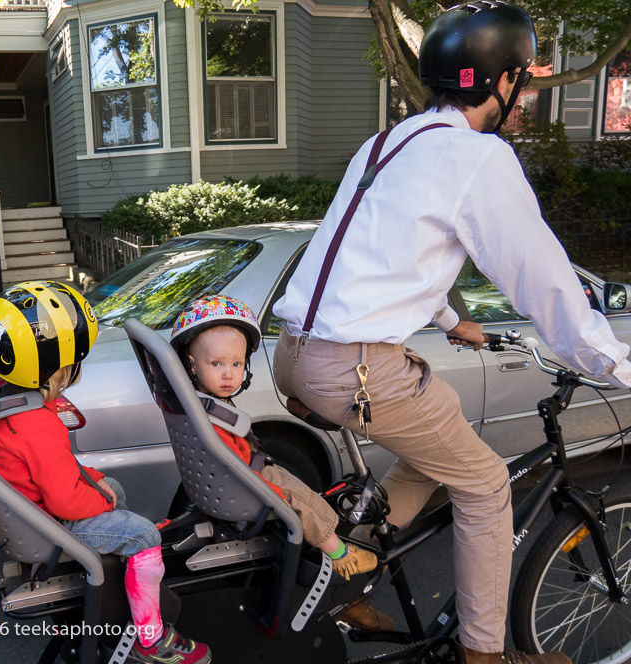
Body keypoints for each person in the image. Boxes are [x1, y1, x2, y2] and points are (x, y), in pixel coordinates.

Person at [270, 2, 631, 663]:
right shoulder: (476, 157)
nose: (524, 97)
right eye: (523, 78)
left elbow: (384, 249)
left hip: (294, 354)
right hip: (353, 365)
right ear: (498, 80)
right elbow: (544, 283)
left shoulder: (389, 142)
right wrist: (616, 363)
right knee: (487, 484)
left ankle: (342, 577)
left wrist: (451, 321)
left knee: (438, 445)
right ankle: (484, 655)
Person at [0, 280, 211, 664]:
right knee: (144, 532)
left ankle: (115, 590)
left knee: (113, 487)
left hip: (26, 513)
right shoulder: (38, 423)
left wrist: (98, 483)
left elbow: (45, 466)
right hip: (47, 524)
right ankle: (150, 638)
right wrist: (102, 498)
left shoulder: (5, 404)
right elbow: (65, 499)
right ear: (59, 367)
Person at [169, 295, 384, 591]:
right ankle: (340, 555)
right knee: (305, 500)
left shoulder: (198, 404)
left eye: (237, 363)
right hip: (246, 482)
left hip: (239, 475)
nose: (229, 374)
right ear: (192, 366)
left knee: (294, 484)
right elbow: (234, 463)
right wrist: (272, 492)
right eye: (216, 363)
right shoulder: (210, 416)